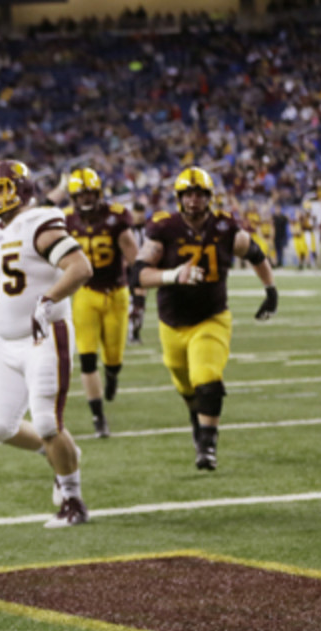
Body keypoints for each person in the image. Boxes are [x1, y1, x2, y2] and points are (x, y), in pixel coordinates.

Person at [0, 160, 93, 527]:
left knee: (47, 422)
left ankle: (72, 499)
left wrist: (50, 298)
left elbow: (80, 268)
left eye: (0, 189)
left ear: (22, 189)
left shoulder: (39, 221)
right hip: (7, 344)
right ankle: (59, 456)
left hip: (44, 337)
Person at [131, 167, 278, 471]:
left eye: (200, 194)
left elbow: (255, 254)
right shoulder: (164, 228)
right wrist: (174, 274)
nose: (194, 200)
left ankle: (207, 446)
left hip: (212, 317)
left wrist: (270, 289)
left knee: (207, 379)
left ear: (209, 198)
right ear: (179, 198)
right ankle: (198, 422)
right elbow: (139, 274)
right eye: (189, 194)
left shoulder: (225, 228)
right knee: (187, 387)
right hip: (172, 323)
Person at [64, 168, 136, 438]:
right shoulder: (66, 220)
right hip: (85, 293)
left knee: (114, 358)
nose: (84, 199)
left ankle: (114, 375)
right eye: (79, 194)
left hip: (116, 292)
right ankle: (98, 416)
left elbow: (132, 254)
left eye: (89, 193)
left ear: (99, 193)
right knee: (87, 357)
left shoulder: (116, 217)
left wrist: (138, 291)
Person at [128, 200, 150, 343]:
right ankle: (132, 333)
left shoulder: (149, 229)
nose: (139, 216)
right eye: (137, 213)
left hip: (142, 268)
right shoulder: (127, 230)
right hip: (128, 270)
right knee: (133, 303)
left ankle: (135, 332)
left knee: (140, 305)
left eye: (141, 213)